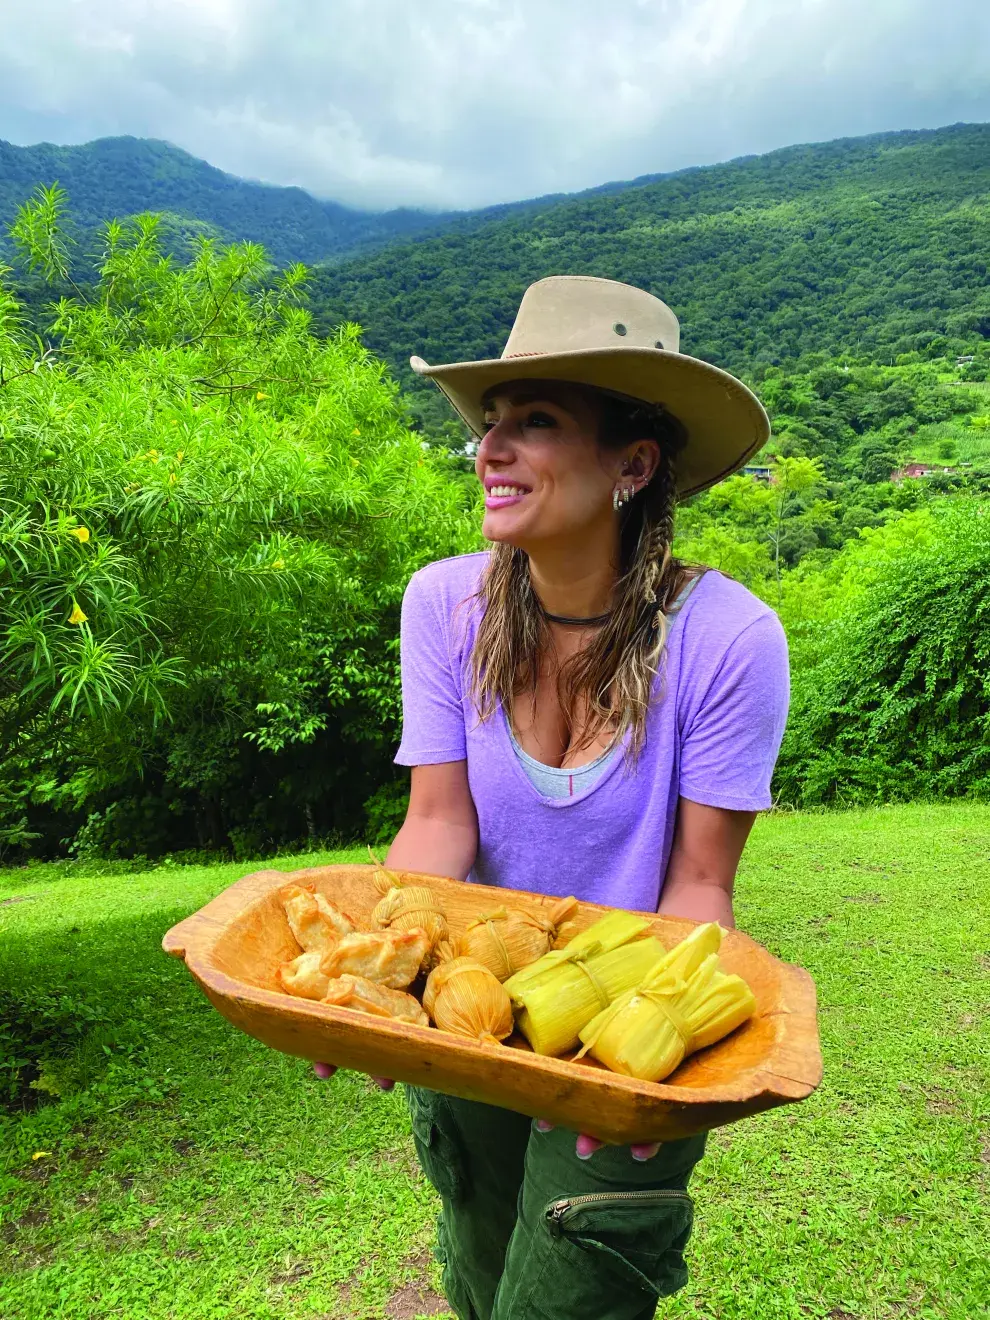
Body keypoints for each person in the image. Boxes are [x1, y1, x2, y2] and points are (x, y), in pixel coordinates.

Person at [315, 276, 790, 1319]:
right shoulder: (443, 604)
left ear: (632, 464)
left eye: (535, 422)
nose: (490, 449)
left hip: (630, 1032)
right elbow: (439, 824)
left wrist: (647, 1079)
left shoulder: (728, 640)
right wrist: (384, 1000)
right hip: (475, 1012)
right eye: (490, 424)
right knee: (482, 1283)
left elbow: (700, 886)